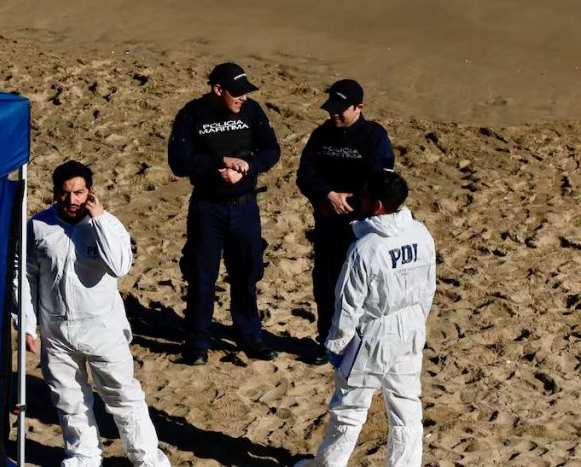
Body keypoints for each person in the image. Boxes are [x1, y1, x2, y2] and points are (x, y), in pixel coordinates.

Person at [19, 160, 170, 467]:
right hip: (56, 331)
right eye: (65, 193)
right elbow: (23, 275)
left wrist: (99, 219)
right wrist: (26, 323)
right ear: (55, 193)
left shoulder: (109, 225)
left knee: (123, 397)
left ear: (90, 191)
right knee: (69, 400)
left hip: (103, 329)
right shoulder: (37, 226)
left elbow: (120, 266)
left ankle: (146, 459)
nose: (72, 200)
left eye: (78, 192)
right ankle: (83, 457)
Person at [296, 169, 436, 467]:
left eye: (365, 195)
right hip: (410, 329)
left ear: (377, 206)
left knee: (350, 409)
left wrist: (336, 346)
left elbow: (348, 305)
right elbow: (428, 287)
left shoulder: (366, 249)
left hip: (373, 335)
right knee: (406, 406)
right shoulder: (421, 233)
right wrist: (416, 323)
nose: (359, 199)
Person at [168, 62, 281, 365]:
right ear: (218, 90)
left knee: (246, 274)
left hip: (245, 207)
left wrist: (247, 169)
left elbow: (272, 151)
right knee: (202, 276)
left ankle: (250, 337)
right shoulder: (192, 114)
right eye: (237, 93)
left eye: (246, 92)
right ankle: (197, 342)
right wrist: (219, 163)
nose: (243, 98)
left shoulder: (252, 111)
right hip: (207, 208)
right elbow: (178, 162)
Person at [296, 79, 394, 365]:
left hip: (362, 228)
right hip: (328, 224)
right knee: (326, 285)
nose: (334, 114)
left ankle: (362, 343)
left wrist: (349, 199)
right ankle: (326, 340)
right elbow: (305, 175)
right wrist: (327, 195)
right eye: (331, 108)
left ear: (359, 107)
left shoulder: (374, 136)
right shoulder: (321, 135)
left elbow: (382, 177)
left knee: (361, 287)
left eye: (341, 109)